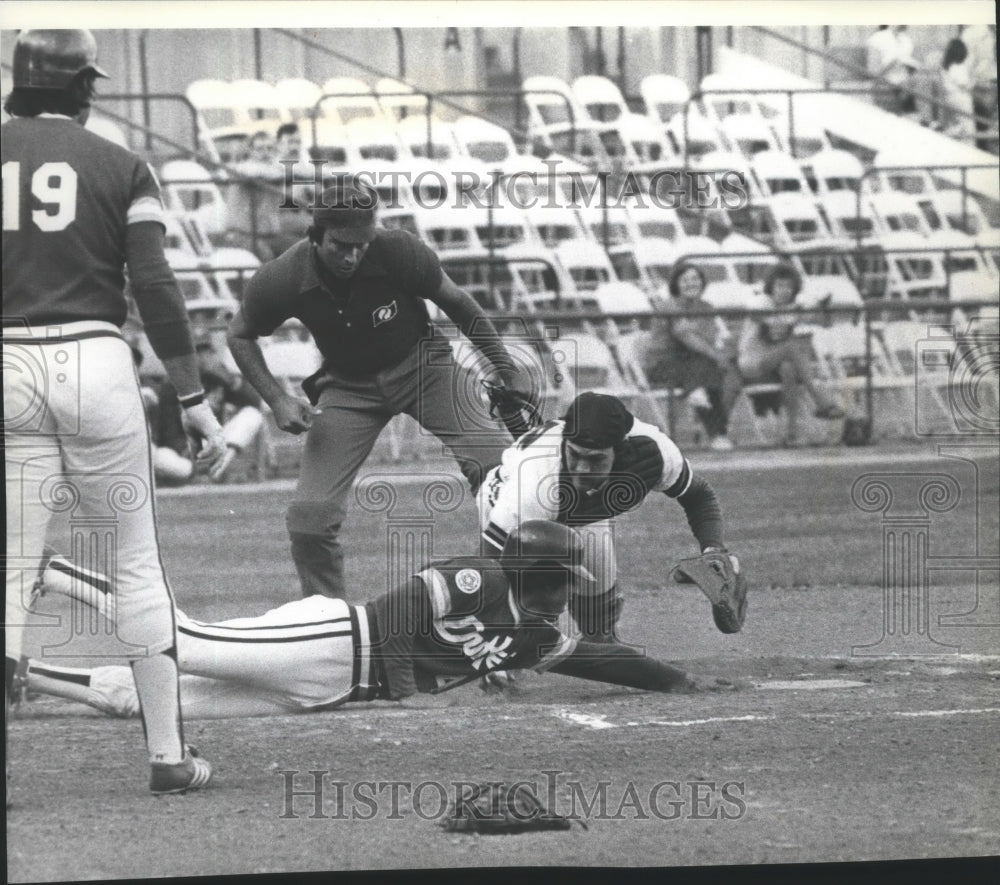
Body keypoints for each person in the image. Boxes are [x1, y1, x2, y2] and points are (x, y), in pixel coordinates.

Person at [2, 29, 227, 800]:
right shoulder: (122, 163)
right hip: (98, 360)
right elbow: (156, 286)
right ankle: (167, 755)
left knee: (10, 566)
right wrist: (194, 399)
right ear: (81, 87)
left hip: (6, 364)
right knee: (134, 562)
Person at [19, 522, 716, 719]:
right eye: (566, 577)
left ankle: (25, 674)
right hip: (333, 640)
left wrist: (676, 680)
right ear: (540, 571)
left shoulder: (534, 630)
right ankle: (49, 569)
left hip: (330, 691)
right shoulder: (481, 576)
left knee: (152, 700)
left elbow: (597, 657)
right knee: (189, 640)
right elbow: (399, 611)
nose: (570, 591)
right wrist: (408, 681)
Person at [228, 176, 532, 599]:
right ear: (316, 236)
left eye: (362, 244)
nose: (353, 255)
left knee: (502, 476)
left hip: (427, 369)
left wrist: (504, 366)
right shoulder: (283, 276)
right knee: (309, 519)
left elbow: (458, 301)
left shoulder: (399, 250)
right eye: (341, 245)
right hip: (348, 388)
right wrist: (277, 398)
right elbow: (239, 334)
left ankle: (503, 606)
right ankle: (328, 624)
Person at [477, 391, 745, 643]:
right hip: (513, 508)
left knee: (600, 622)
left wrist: (713, 549)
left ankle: (597, 648)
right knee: (529, 609)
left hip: (582, 513)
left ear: (621, 452)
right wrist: (493, 636)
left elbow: (698, 496)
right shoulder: (532, 485)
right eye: (575, 455)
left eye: (595, 460)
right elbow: (491, 566)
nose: (582, 468)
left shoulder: (654, 452)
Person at [736, 264, 844, 447]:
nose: (784, 291)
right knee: (792, 347)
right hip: (752, 362)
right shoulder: (761, 302)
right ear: (771, 286)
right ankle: (822, 400)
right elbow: (768, 323)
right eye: (780, 286)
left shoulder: (792, 307)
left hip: (776, 364)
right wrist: (798, 313)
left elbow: (824, 322)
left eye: (789, 287)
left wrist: (818, 307)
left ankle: (792, 433)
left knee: (789, 369)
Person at [646, 262, 742, 451]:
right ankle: (718, 433)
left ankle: (698, 396)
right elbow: (686, 337)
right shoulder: (668, 306)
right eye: (685, 279)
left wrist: (715, 354)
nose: (691, 283)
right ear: (676, 283)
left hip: (696, 363)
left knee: (716, 370)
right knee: (708, 368)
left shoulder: (706, 307)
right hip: (664, 363)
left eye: (695, 279)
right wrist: (716, 356)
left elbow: (709, 337)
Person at [147, 342, 265, 485]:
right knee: (161, 457)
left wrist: (232, 381)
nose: (204, 358)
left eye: (209, 352)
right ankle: (199, 475)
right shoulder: (172, 384)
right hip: (183, 451)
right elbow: (168, 432)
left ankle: (213, 473)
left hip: (215, 445)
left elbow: (255, 403)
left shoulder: (220, 379)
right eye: (198, 353)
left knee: (252, 415)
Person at [866, 25, 919, 116]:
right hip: (884, 84)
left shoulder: (907, 40)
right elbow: (873, 72)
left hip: (904, 86)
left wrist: (912, 67)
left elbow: (910, 66)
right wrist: (892, 63)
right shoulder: (877, 39)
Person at [939, 37, 975, 142]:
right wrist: (974, 82)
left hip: (949, 98)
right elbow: (965, 85)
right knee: (968, 127)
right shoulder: (958, 67)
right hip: (961, 98)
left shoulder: (946, 66)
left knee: (954, 124)